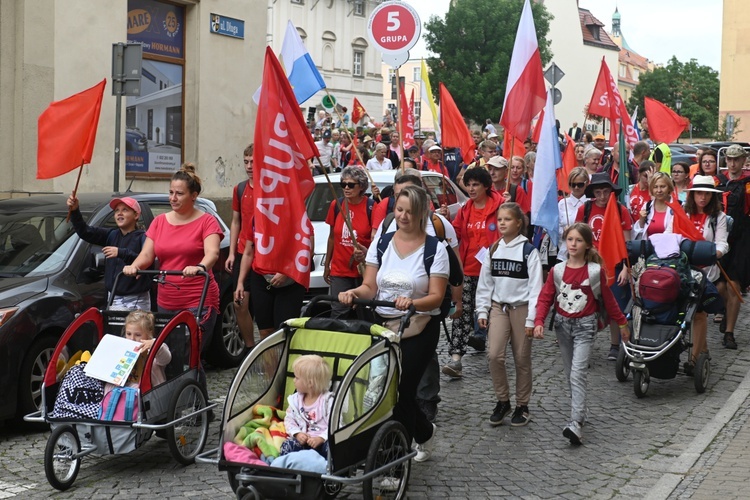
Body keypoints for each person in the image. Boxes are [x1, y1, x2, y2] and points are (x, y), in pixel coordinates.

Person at [339, 185, 449, 462]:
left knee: (400, 389)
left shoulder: (436, 250)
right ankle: (422, 432)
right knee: (382, 387)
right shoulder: (382, 242)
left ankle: (394, 458)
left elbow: (436, 296)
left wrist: (413, 302)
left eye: (410, 212)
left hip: (419, 327)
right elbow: (369, 287)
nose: (403, 216)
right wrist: (353, 294)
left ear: (422, 213)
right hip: (384, 326)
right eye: (399, 210)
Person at [534, 223, 630, 445]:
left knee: (578, 373)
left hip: (585, 327)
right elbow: (546, 297)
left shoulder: (594, 272)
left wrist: (623, 324)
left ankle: (576, 422)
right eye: (570, 240)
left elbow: (609, 301)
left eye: (578, 240)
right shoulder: (558, 271)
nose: (573, 244)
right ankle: (580, 411)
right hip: (562, 326)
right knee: (570, 373)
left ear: (587, 244)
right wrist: (539, 320)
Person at [124, 163, 223, 356]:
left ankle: (194, 386)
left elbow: (212, 253)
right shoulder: (160, 221)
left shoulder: (206, 221)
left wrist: (199, 266)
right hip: (166, 299)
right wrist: (134, 266)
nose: (173, 198)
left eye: (179, 193)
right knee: (167, 357)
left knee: (189, 358)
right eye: (170, 192)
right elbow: (146, 254)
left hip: (198, 299)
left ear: (193, 196)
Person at [475, 203, 543, 427]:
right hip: (499, 307)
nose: (502, 223)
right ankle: (502, 400)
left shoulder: (529, 251)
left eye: (507, 219)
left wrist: (533, 318)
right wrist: (482, 309)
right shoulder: (493, 249)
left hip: (522, 308)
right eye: (500, 219)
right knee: (494, 355)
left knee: (521, 358)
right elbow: (485, 284)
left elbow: (536, 288)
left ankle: (522, 405)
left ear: (518, 223)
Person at [444, 167, 503, 376]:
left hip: (495, 272)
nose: (471, 188)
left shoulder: (501, 207)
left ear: (486, 186)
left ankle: (497, 354)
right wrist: (445, 222)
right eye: (468, 184)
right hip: (467, 269)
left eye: (475, 184)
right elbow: (455, 234)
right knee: (461, 313)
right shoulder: (465, 209)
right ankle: (456, 359)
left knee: (494, 314)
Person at [575, 173, 633, 361]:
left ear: (611, 192)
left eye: (605, 192)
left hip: (614, 265)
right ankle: (584, 347)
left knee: (616, 307)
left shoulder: (620, 209)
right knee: (586, 307)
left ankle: (615, 345)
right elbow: (577, 238)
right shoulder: (585, 209)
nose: (601, 196)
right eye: (598, 192)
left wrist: (626, 267)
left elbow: (626, 242)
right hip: (590, 263)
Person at [67, 195, 151, 310]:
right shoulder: (112, 234)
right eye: (117, 210)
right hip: (113, 298)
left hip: (136, 299)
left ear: (136, 215)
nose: (119, 213)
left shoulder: (143, 238)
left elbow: (146, 262)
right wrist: (75, 210)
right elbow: (85, 232)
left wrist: (121, 253)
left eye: (125, 210)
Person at [683, 176, 729, 366]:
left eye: (707, 193)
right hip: (683, 269)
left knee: (699, 313)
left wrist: (714, 253)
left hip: (705, 273)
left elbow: (722, 242)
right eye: (699, 193)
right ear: (692, 195)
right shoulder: (682, 214)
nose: (703, 197)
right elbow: (671, 234)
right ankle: (703, 349)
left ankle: (694, 360)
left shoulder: (719, 217)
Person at [323, 167, 373, 319]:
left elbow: (375, 241)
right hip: (340, 270)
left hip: (364, 271)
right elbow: (332, 237)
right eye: (343, 184)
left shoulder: (371, 207)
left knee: (365, 313)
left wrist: (365, 253)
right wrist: (327, 265)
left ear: (362, 186)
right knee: (339, 312)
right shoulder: (336, 205)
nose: (346, 188)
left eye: (351, 185)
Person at [718, 145, 750, 349]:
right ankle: (725, 309)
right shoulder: (717, 181)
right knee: (719, 285)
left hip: (742, 239)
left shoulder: (748, 184)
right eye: (729, 159)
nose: (732, 163)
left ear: (743, 160)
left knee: (734, 285)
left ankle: (729, 332)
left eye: (736, 159)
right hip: (721, 237)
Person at [225, 145, 255, 349]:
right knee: (239, 303)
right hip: (243, 251)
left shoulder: (270, 189)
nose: (249, 166)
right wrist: (231, 252)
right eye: (246, 162)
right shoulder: (240, 188)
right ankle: (251, 347)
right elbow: (236, 221)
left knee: (260, 307)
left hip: (263, 254)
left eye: (253, 161)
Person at [279, 355, 334, 458]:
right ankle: (289, 468)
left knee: (333, 448)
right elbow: (289, 420)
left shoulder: (328, 402)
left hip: (322, 443)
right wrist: (297, 433)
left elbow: (336, 425)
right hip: (303, 443)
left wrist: (321, 438)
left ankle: (325, 469)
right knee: (287, 445)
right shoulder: (295, 401)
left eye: (297, 378)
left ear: (310, 383)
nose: (293, 380)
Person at [110, 309, 172, 390]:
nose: (132, 339)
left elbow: (166, 359)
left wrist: (156, 345)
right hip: (126, 389)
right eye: (128, 334)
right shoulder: (123, 346)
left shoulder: (156, 345)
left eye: (138, 335)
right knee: (109, 386)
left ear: (149, 333)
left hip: (152, 390)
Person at [557, 167, 589, 261]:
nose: (576, 188)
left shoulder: (591, 203)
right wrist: (563, 231)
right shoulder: (563, 203)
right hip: (564, 254)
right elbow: (556, 227)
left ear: (586, 183)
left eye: (580, 185)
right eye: (572, 184)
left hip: (586, 255)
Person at [633, 172, 675, 240]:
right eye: (655, 187)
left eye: (662, 186)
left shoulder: (679, 206)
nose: (659, 190)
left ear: (669, 188)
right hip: (649, 249)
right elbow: (639, 236)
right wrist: (641, 221)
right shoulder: (647, 206)